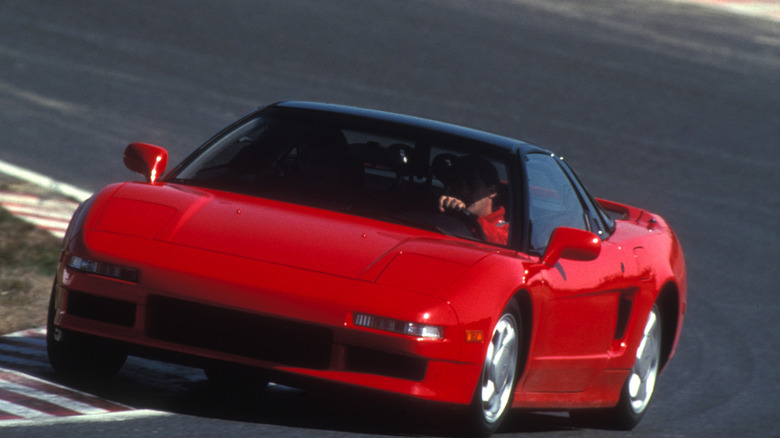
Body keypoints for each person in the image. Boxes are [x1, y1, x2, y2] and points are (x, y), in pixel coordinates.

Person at [437, 155, 509, 245]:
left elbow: (503, 241)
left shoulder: (507, 229)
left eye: (472, 184)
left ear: (492, 191)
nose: (463, 191)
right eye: (458, 184)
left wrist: (469, 218)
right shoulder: (441, 212)